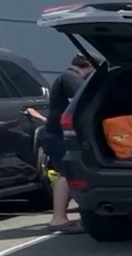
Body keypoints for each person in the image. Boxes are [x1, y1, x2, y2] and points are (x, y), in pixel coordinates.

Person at [24, 53, 93, 234]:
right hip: (58, 136)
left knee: (66, 173)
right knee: (67, 173)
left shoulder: (65, 77)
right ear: (87, 66)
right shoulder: (71, 78)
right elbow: (84, 100)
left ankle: (66, 215)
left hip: (55, 134)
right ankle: (58, 219)